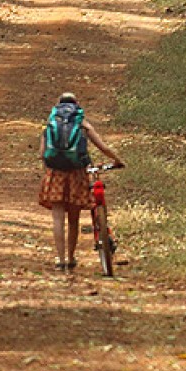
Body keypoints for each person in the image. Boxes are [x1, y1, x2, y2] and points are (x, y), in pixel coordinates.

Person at [37, 92, 123, 270]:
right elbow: (103, 147)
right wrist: (118, 160)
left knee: (58, 219)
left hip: (55, 174)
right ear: (77, 104)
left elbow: (41, 154)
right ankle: (71, 257)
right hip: (77, 173)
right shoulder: (82, 124)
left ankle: (60, 260)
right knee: (74, 219)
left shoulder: (50, 124)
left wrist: (49, 168)